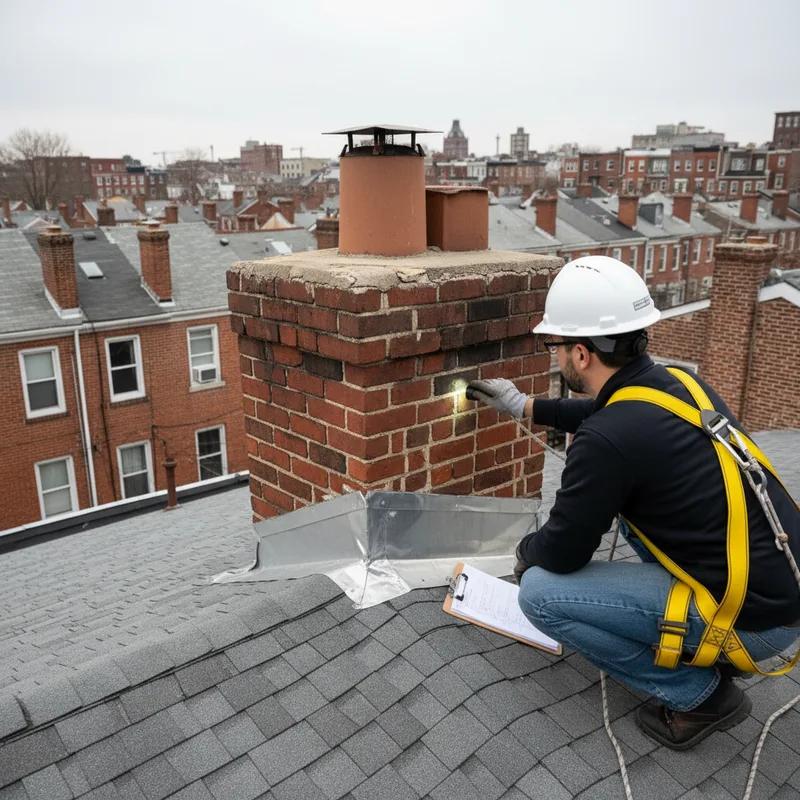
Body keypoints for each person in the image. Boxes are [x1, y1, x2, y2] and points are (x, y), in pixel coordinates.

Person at [467, 255, 800, 750]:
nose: (555, 357)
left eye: (556, 346)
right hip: (776, 587)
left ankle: (699, 695)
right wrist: (525, 406)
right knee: (629, 517)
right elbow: (607, 412)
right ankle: (684, 641)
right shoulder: (680, 383)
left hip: (750, 624)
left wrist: (525, 552)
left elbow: (562, 552)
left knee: (538, 592)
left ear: (581, 354)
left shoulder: (609, 440)